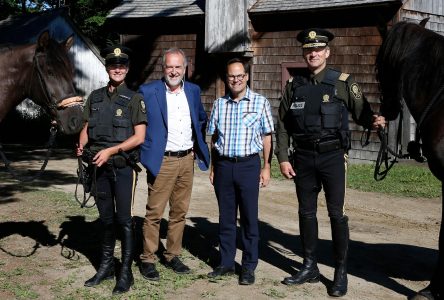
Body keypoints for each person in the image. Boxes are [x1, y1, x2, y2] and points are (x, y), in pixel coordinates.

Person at [274, 28, 386, 297]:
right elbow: (283, 125)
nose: (313, 53)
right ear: (304, 53)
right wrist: (283, 158)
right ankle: (310, 266)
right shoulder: (294, 86)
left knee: (336, 214)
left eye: (318, 49)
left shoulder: (344, 83)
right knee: (306, 212)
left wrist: (376, 120)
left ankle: (340, 270)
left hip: (333, 157)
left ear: (327, 52)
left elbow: (364, 114)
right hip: (303, 158)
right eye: (308, 50)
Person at [76, 45, 146, 295]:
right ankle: (106, 267)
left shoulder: (135, 99)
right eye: (113, 66)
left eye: (122, 66)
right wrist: (81, 146)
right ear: (107, 68)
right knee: (105, 220)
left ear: (127, 69)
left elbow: (139, 137)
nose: (118, 69)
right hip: (98, 168)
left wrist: (111, 151)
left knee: (124, 221)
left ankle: (125, 273)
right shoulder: (94, 97)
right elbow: (86, 127)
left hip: (122, 167)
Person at [138, 48, 210, 280]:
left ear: (185, 68)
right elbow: (137, 122)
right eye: (169, 66)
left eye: (178, 67)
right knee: (155, 212)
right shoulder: (148, 91)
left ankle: (172, 255)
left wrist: (196, 147)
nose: (174, 71)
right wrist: (146, 150)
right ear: (163, 68)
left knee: (179, 212)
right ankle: (148, 259)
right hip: (163, 160)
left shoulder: (193, 90)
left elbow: (200, 118)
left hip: (186, 159)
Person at [207, 58, 274, 285]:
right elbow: (214, 138)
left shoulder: (260, 102)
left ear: (246, 77)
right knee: (226, 218)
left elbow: (267, 137)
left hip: (248, 166)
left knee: (248, 218)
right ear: (227, 79)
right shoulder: (219, 104)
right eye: (231, 76)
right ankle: (225, 262)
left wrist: (266, 166)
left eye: (239, 75)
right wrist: (214, 166)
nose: (235, 80)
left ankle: (248, 266)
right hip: (224, 165)